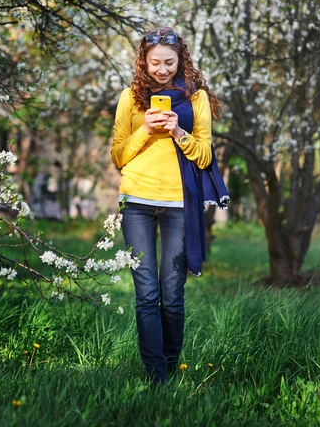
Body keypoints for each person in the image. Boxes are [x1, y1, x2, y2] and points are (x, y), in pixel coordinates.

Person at [111, 27, 229, 385]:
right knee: (146, 294)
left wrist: (179, 132)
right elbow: (118, 155)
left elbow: (206, 155)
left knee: (172, 297)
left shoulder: (197, 100)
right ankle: (156, 376)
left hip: (180, 203)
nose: (162, 70)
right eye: (155, 62)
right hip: (137, 202)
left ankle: (170, 366)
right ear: (143, 61)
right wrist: (145, 129)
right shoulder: (130, 98)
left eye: (169, 63)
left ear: (181, 62)